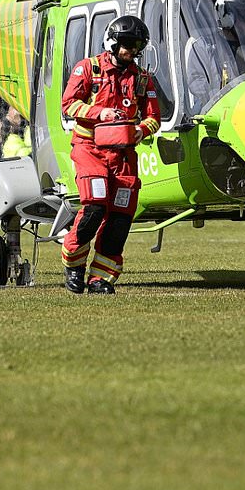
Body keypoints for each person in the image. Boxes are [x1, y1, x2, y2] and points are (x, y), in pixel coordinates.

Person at [59, 15, 163, 295]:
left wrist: (141, 131)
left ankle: (101, 278)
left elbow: (154, 117)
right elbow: (69, 105)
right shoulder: (87, 70)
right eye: (128, 44)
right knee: (94, 206)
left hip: (124, 156)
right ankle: (74, 263)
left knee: (120, 218)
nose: (133, 50)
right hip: (90, 149)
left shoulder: (142, 78)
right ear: (113, 42)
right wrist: (99, 113)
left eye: (138, 45)